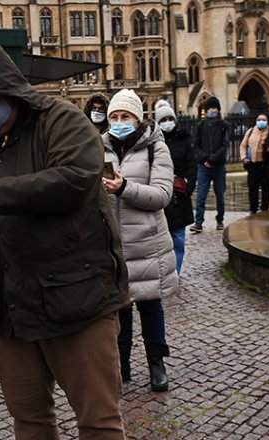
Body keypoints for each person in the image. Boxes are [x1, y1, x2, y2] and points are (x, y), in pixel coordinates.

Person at [0, 40, 129, 439]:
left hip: (79, 301)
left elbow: (76, 179)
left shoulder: (61, 119)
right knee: (30, 421)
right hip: (15, 307)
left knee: (98, 422)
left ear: (7, 93)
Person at [101, 90, 178, 392]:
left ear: (137, 118)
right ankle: (122, 365)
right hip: (114, 245)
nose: (119, 122)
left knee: (150, 306)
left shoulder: (155, 148)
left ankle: (156, 364)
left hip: (147, 243)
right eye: (114, 117)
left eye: (125, 117)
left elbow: (161, 195)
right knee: (120, 310)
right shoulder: (100, 147)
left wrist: (123, 188)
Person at [155, 100, 196, 273]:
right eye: (163, 119)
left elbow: (192, 165)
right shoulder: (154, 142)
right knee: (161, 239)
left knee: (178, 237)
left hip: (180, 195)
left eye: (170, 118)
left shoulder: (184, 141)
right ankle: (164, 271)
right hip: (161, 196)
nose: (167, 122)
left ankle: (176, 272)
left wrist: (189, 187)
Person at [190, 97, 229, 232]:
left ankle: (220, 220)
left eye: (215, 108)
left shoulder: (224, 125)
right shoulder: (200, 125)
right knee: (201, 195)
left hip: (218, 166)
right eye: (210, 108)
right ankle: (198, 222)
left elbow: (224, 146)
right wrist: (206, 159)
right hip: (203, 166)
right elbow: (196, 145)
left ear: (218, 110)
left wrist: (213, 159)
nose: (212, 110)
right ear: (206, 111)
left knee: (220, 195)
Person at [239, 114, 269, 214]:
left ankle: (264, 208)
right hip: (252, 164)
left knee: (266, 188)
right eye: (259, 119)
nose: (261, 121)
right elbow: (243, 145)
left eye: (264, 120)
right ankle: (253, 209)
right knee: (253, 188)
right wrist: (244, 157)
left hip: (265, 164)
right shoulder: (251, 131)